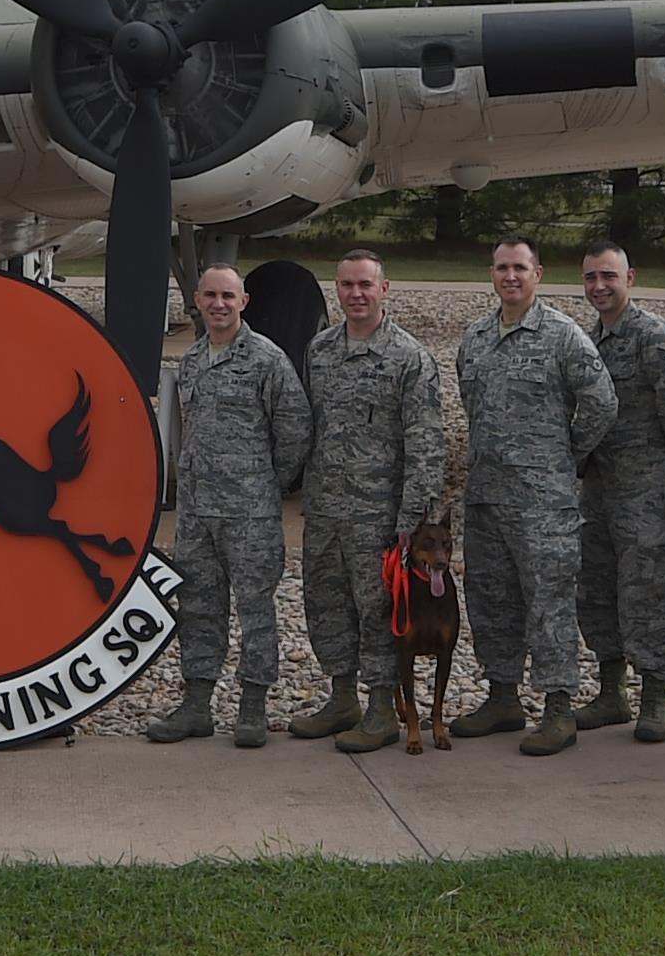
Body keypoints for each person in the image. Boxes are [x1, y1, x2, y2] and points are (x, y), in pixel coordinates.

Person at [450, 238, 615, 755]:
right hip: (486, 499)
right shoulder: (475, 337)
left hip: (542, 503)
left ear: (537, 273)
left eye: (519, 268)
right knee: (492, 601)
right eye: (501, 268)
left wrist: (566, 457)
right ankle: (502, 697)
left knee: (549, 605)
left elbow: (601, 404)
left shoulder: (563, 336)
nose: (510, 277)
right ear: (492, 274)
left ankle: (559, 707)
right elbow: (469, 402)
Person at [152, 262, 314, 748]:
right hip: (198, 514)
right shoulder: (193, 360)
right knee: (199, 607)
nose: (219, 304)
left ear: (244, 302)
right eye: (210, 296)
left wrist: (266, 483)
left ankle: (252, 706)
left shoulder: (267, 360)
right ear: (196, 302)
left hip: (250, 513)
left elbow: (295, 428)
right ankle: (197, 703)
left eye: (228, 296)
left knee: (256, 611)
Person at [300, 248, 449, 755]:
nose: (356, 294)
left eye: (366, 285)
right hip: (325, 507)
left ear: (385, 289)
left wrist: (413, 518)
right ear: (336, 290)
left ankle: (384, 708)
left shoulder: (408, 357)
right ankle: (342, 697)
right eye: (347, 285)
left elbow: (426, 442)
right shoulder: (319, 351)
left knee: (380, 609)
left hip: (379, 514)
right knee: (326, 602)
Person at [571, 242, 665, 742]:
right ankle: (611, 690)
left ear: (630, 277)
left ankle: (654, 695)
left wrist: (653, 455)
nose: (600, 287)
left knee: (644, 592)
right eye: (591, 278)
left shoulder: (652, 336)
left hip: (644, 489)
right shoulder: (588, 339)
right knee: (597, 589)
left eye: (609, 276)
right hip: (599, 488)